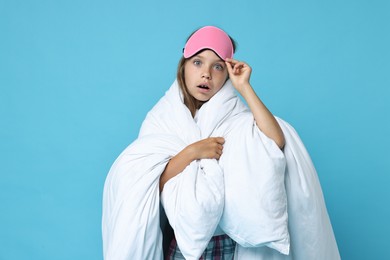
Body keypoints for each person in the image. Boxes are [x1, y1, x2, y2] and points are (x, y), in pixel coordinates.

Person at [102, 26, 340, 260]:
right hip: (182, 244)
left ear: (227, 73)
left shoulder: (235, 117)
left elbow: (275, 141)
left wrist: (244, 88)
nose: (206, 74)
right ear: (183, 65)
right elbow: (151, 182)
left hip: (226, 243)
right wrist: (193, 152)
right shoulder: (161, 119)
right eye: (197, 62)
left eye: (217, 66)